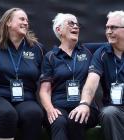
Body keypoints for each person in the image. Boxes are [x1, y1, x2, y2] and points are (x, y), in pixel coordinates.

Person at [0, 8, 44, 140]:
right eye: (22, 19)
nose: (26, 23)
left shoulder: (36, 48)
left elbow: (47, 78)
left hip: (26, 98)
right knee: (7, 114)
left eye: (27, 20)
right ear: (8, 22)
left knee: (34, 114)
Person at [39, 13, 99, 140]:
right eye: (71, 23)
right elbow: (44, 90)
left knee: (76, 119)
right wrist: (50, 110)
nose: (76, 27)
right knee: (58, 121)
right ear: (59, 30)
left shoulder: (88, 51)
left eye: (77, 24)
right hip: (58, 106)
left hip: (85, 106)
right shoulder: (51, 56)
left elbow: (111, 43)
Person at [69, 10, 124, 140]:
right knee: (108, 113)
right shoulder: (101, 53)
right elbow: (92, 81)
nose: (108, 31)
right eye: (107, 28)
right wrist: (84, 103)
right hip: (115, 109)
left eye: (113, 27)